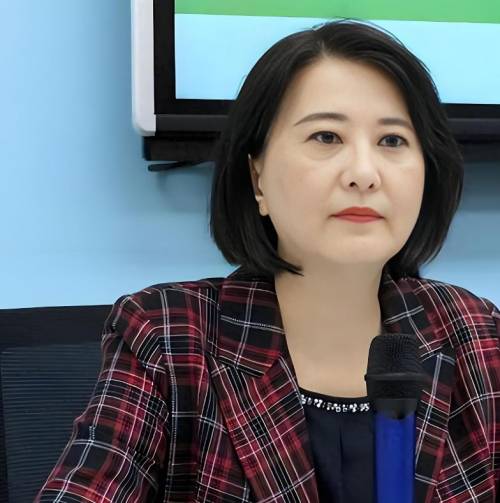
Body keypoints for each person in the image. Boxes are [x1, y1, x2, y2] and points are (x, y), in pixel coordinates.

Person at [35, 18, 499, 503]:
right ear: (257, 178)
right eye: (326, 137)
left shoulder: (477, 333)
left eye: (392, 141)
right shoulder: (168, 337)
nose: (364, 173)